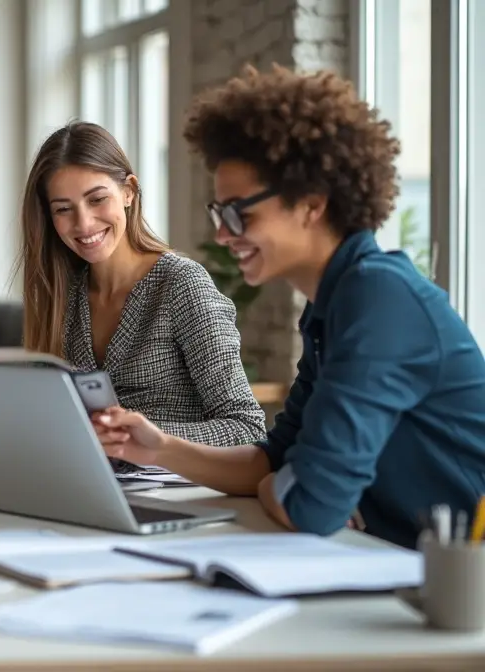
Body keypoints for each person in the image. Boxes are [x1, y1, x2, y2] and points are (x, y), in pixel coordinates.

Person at [95, 65, 485, 549]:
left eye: (240, 212)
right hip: (399, 562)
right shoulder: (331, 305)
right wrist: (157, 449)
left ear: (311, 203)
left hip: (465, 584)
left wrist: (280, 483)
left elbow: (310, 506)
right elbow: (274, 460)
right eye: (220, 213)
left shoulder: (381, 301)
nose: (222, 234)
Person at [18, 121, 266, 452]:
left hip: (177, 493)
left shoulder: (181, 284)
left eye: (97, 199)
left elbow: (247, 427)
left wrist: (140, 438)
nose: (83, 223)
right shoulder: (60, 296)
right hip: (86, 487)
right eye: (64, 209)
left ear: (129, 192)